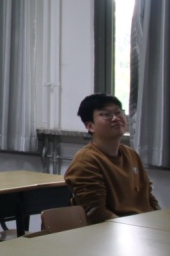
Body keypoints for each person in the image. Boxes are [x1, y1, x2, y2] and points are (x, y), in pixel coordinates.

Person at [64, 94, 160, 224]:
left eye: (118, 113)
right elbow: (97, 213)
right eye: (106, 115)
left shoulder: (131, 154)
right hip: (112, 231)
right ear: (90, 126)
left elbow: (148, 198)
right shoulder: (86, 161)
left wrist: (159, 223)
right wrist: (133, 231)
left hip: (143, 227)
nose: (116, 118)